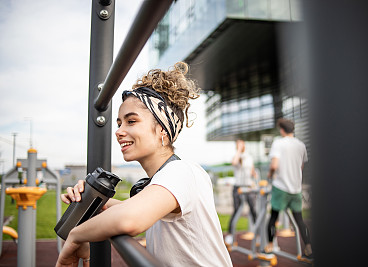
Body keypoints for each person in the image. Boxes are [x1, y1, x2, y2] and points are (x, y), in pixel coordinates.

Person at [56, 62, 233, 267]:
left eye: (131, 121)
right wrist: (90, 200)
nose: (119, 131)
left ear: (162, 131)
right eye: (120, 123)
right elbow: (128, 209)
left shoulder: (182, 171)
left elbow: (130, 218)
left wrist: (76, 236)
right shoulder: (158, 184)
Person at [265, 118, 312, 259]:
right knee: (299, 221)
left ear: (282, 130)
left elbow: (274, 165)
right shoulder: (301, 145)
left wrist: (270, 175)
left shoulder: (278, 143)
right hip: (296, 188)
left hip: (281, 187)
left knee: (273, 218)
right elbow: (301, 166)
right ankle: (309, 247)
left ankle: (269, 245)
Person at [224, 139, 258, 245]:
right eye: (238, 144)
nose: (240, 146)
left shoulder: (249, 157)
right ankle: (230, 235)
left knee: (254, 211)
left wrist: (255, 178)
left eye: (241, 144)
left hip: (248, 187)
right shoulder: (237, 157)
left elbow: (252, 171)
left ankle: (258, 235)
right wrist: (238, 150)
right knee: (236, 210)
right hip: (238, 187)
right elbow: (234, 162)